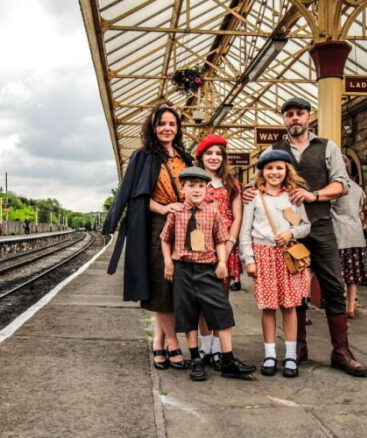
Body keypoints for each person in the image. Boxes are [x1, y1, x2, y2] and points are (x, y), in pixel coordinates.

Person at [243, 97, 367, 377]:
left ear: (309, 117)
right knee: (294, 292)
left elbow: (342, 184)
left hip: (321, 225)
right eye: (289, 114)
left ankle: (341, 351)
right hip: (286, 234)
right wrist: (248, 192)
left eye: (299, 113)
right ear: (284, 119)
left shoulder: (326, 147)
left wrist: (315, 195)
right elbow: (257, 183)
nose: (294, 119)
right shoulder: (274, 150)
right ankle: (296, 347)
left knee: (333, 286)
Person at [103, 102, 193, 371]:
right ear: (153, 128)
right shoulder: (142, 156)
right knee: (163, 287)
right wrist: (165, 208)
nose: (167, 128)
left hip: (185, 228)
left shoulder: (185, 159)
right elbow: (137, 197)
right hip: (157, 227)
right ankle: (173, 345)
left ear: (178, 129)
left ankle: (158, 342)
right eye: (162, 124)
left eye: (172, 124)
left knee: (178, 288)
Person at [161, 166, 256, 381]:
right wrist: (168, 262)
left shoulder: (213, 211)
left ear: (206, 189)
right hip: (183, 270)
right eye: (191, 186)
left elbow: (220, 239)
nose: (196, 190)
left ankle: (228, 360)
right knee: (188, 315)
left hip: (207, 269)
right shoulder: (176, 212)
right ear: (182, 188)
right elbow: (165, 238)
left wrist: (222, 261)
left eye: (201, 186)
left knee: (222, 312)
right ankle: (196, 360)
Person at [239, 150, 310, 378]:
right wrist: (249, 260)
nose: (274, 172)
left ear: (287, 170)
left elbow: (305, 226)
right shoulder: (254, 197)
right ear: (262, 171)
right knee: (268, 307)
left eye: (279, 168)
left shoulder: (293, 197)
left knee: (289, 306)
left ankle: (290, 355)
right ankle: (269, 354)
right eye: (269, 168)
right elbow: (245, 232)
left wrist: (291, 233)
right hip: (263, 256)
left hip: (287, 256)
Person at [194, 134, 243, 368]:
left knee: (220, 300)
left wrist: (230, 243)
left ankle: (217, 346)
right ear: (201, 156)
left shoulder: (232, 183)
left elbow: (237, 215)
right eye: (209, 153)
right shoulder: (195, 181)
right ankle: (207, 347)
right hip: (200, 249)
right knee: (201, 300)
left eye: (218, 154)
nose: (214, 158)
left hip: (226, 248)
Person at [331, 156, 367, 319]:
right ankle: (350, 307)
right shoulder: (357, 188)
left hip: (338, 233)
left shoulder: (335, 187)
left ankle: (337, 305)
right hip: (356, 235)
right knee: (352, 275)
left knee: (336, 274)